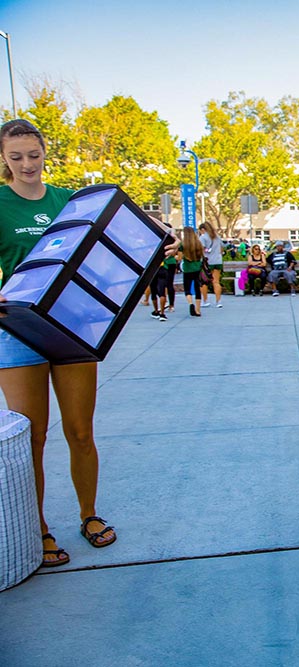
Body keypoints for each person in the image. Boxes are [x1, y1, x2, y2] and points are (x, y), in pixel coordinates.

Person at [0, 119, 118, 567]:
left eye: (34, 155)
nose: (27, 165)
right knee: (30, 439)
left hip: (70, 327)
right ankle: (39, 530)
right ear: (4, 159)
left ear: (45, 152)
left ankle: (89, 515)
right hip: (16, 331)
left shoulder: (68, 200)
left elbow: (97, 256)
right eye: (16, 157)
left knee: (80, 431)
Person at [179, 226, 204, 317]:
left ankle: (190, 303)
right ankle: (198, 310)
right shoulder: (198, 243)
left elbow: (180, 257)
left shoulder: (182, 245)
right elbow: (202, 255)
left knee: (187, 289)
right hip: (197, 268)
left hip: (187, 269)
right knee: (198, 289)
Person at [199, 222, 224, 308]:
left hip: (207, 261)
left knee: (204, 282)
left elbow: (201, 249)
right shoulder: (217, 236)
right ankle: (218, 301)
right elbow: (222, 247)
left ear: (203, 229)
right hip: (218, 260)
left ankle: (205, 300)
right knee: (216, 281)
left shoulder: (203, 237)